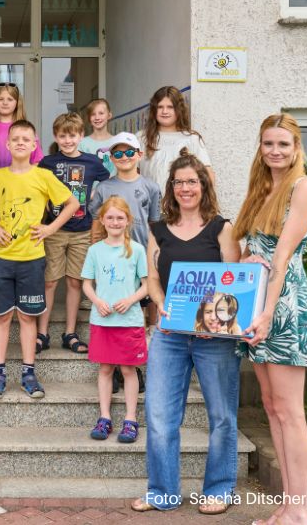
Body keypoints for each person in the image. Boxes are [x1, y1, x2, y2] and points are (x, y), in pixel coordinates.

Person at [132, 148, 241, 515]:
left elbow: (236, 282)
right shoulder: (157, 230)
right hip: (169, 335)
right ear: (171, 187)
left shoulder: (222, 228)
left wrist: (219, 322)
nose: (185, 188)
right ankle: (162, 491)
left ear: (203, 184)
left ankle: (219, 489)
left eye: (191, 181)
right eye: (178, 182)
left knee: (222, 416)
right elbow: (152, 280)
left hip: (216, 340)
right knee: (160, 416)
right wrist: (160, 304)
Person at [234, 113, 307, 525]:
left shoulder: (303, 187)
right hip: (258, 303)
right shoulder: (260, 189)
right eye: (269, 144)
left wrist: (268, 312)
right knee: (271, 406)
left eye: (283, 145)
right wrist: (245, 259)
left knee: (290, 410)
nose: (275, 151)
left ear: (296, 148)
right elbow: (249, 249)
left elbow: (284, 256)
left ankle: (300, 511)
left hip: (285, 307)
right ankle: (288, 506)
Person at [0, 120, 78, 399]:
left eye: (26, 139)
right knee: (1, 318)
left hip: (32, 258)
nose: (21, 142)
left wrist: (50, 228)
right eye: (16, 138)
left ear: (34, 145)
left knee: (27, 317)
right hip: (0, 258)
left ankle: (28, 372)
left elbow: (72, 203)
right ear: (7, 145)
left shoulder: (43, 176)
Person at [88, 131, 161, 393]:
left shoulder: (150, 187)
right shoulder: (104, 188)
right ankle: (116, 370)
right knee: (114, 314)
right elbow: (97, 225)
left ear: (139, 155)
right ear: (111, 158)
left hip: (137, 257)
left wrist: (154, 255)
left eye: (129, 152)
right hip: (112, 260)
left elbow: (154, 225)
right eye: (117, 153)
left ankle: (131, 366)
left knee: (134, 312)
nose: (124, 157)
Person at [36, 112, 109, 355]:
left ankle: (70, 332)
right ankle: (42, 333)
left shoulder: (92, 162)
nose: (68, 140)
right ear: (56, 137)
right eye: (62, 136)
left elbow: (107, 183)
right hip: (54, 229)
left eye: (73, 135)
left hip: (82, 230)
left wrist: (94, 202)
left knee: (75, 281)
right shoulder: (47, 163)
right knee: (49, 281)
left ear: (81, 136)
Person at [82, 196, 148, 443]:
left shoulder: (137, 249)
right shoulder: (95, 251)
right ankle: (105, 417)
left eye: (120, 217)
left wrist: (131, 300)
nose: (115, 222)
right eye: (110, 217)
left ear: (128, 220)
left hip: (128, 321)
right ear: (102, 221)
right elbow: (87, 284)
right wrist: (97, 301)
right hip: (102, 320)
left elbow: (146, 285)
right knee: (105, 368)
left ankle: (130, 419)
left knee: (128, 369)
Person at [136, 86, 213, 190]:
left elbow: (207, 175)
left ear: (179, 109)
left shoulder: (192, 139)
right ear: (154, 110)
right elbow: (130, 173)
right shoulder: (141, 138)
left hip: (181, 204)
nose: (164, 111)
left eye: (170, 107)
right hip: (148, 203)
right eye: (160, 107)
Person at [0, 83, 44, 179]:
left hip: (20, 185)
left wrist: (23, 178)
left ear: (17, 103)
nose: (5, 103)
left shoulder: (27, 129)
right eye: (1, 99)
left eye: (10, 99)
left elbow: (37, 161)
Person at [78, 98, 117, 176]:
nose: (97, 117)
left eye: (101, 113)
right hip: (90, 188)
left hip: (114, 187)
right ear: (89, 118)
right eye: (93, 114)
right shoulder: (82, 143)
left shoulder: (117, 142)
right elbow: (78, 171)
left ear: (109, 115)